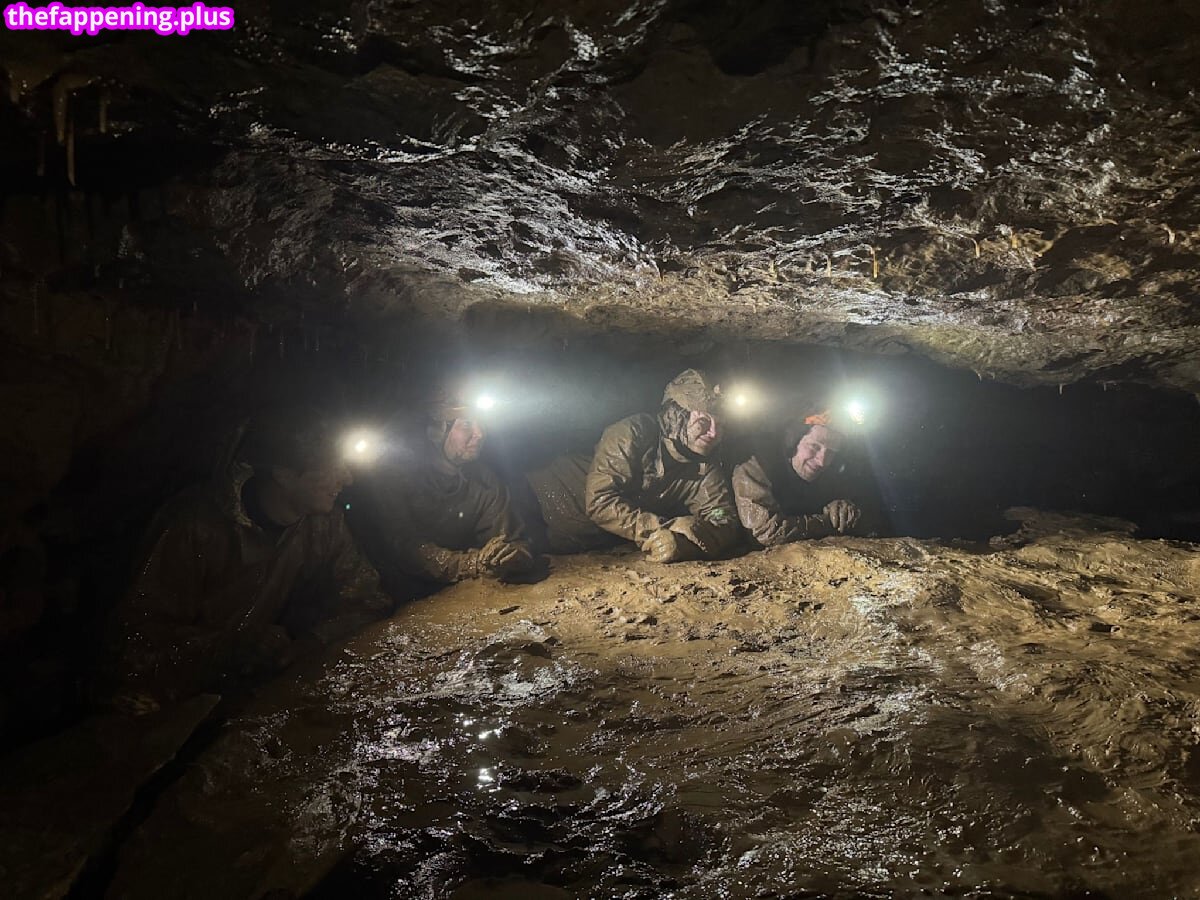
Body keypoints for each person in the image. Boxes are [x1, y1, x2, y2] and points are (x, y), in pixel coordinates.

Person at [102, 408, 391, 712]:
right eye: (333, 467)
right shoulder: (195, 526)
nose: (348, 478)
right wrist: (232, 646)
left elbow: (367, 597)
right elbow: (132, 645)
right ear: (284, 473)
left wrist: (311, 641)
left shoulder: (323, 524)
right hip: (166, 701)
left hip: (243, 685)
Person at [529, 369, 740, 563]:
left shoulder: (704, 465)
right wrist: (660, 529)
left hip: (588, 540)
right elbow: (600, 501)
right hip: (542, 507)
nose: (713, 433)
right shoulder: (633, 432)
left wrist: (692, 536)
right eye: (703, 422)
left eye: (720, 425)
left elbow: (721, 514)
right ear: (676, 416)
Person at [354, 393, 534, 588]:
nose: (480, 433)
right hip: (398, 588)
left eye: (481, 424)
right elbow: (405, 548)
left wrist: (515, 555)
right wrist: (472, 563)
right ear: (436, 431)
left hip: (454, 587)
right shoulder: (395, 477)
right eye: (467, 424)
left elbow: (510, 539)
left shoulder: (485, 481)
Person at [731, 408, 865, 547]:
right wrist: (828, 521)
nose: (822, 461)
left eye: (831, 452)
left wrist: (844, 508)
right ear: (793, 442)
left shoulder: (833, 470)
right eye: (814, 446)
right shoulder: (756, 466)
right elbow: (768, 532)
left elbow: (858, 505)